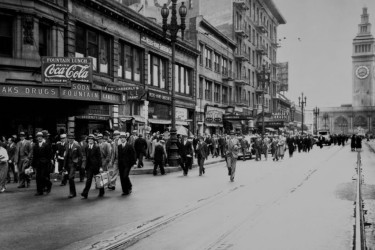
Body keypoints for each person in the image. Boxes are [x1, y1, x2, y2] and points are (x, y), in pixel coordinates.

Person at [81, 134, 103, 199]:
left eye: (91, 140)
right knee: (88, 180)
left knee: (98, 179)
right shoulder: (86, 147)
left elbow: (99, 158)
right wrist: (85, 166)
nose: (90, 141)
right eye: (89, 139)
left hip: (96, 166)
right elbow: (86, 157)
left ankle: (102, 191)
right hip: (89, 167)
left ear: (93, 141)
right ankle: (85, 193)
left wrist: (100, 167)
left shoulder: (96, 147)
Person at [63, 134, 82, 198]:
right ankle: (73, 192)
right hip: (67, 164)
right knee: (70, 178)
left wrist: (77, 162)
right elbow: (65, 155)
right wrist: (64, 165)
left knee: (71, 177)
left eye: (71, 139)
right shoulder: (66, 145)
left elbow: (80, 156)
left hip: (73, 164)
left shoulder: (77, 146)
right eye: (69, 139)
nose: (70, 140)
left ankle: (72, 193)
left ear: (73, 139)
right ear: (68, 139)